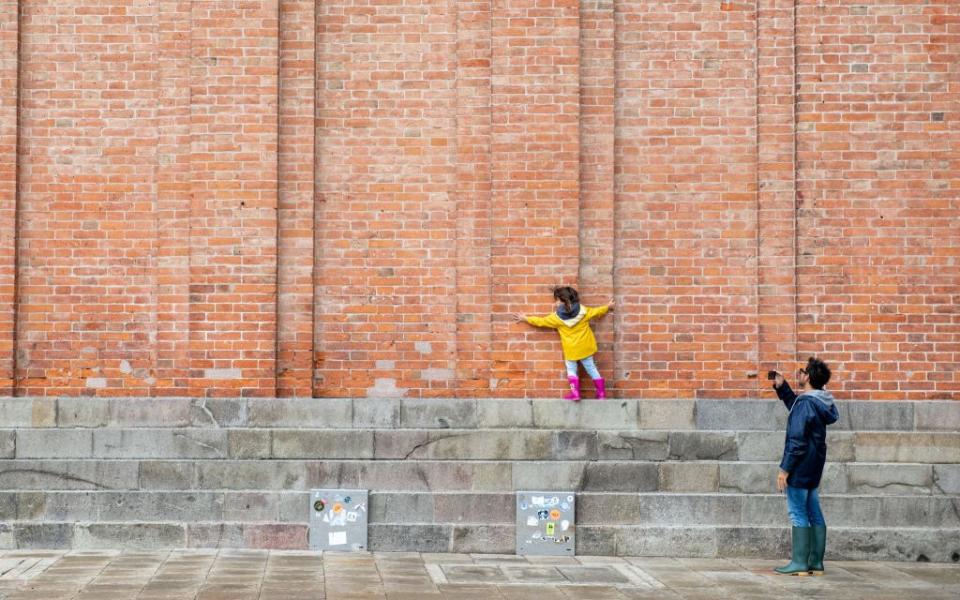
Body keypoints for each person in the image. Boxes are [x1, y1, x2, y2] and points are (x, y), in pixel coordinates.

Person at [771, 357, 839, 576]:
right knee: (814, 510)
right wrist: (783, 387)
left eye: (801, 371)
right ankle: (815, 563)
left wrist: (784, 469)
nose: (798, 374)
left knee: (798, 512)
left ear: (808, 376)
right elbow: (799, 408)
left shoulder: (807, 403)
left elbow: (797, 440)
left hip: (800, 466)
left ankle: (800, 562)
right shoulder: (820, 401)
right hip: (814, 464)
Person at [512, 286, 614, 401]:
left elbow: (541, 321)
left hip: (571, 350)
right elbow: (597, 311)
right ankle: (601, 394)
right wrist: (607, 307)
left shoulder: (556, 318)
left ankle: (575, 393)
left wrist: (526, 318)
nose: (555, 303)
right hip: (586, 347)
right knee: (591, 368)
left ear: (563, 301)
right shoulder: (584, 311)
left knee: (571, 369)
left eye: (556, 300)